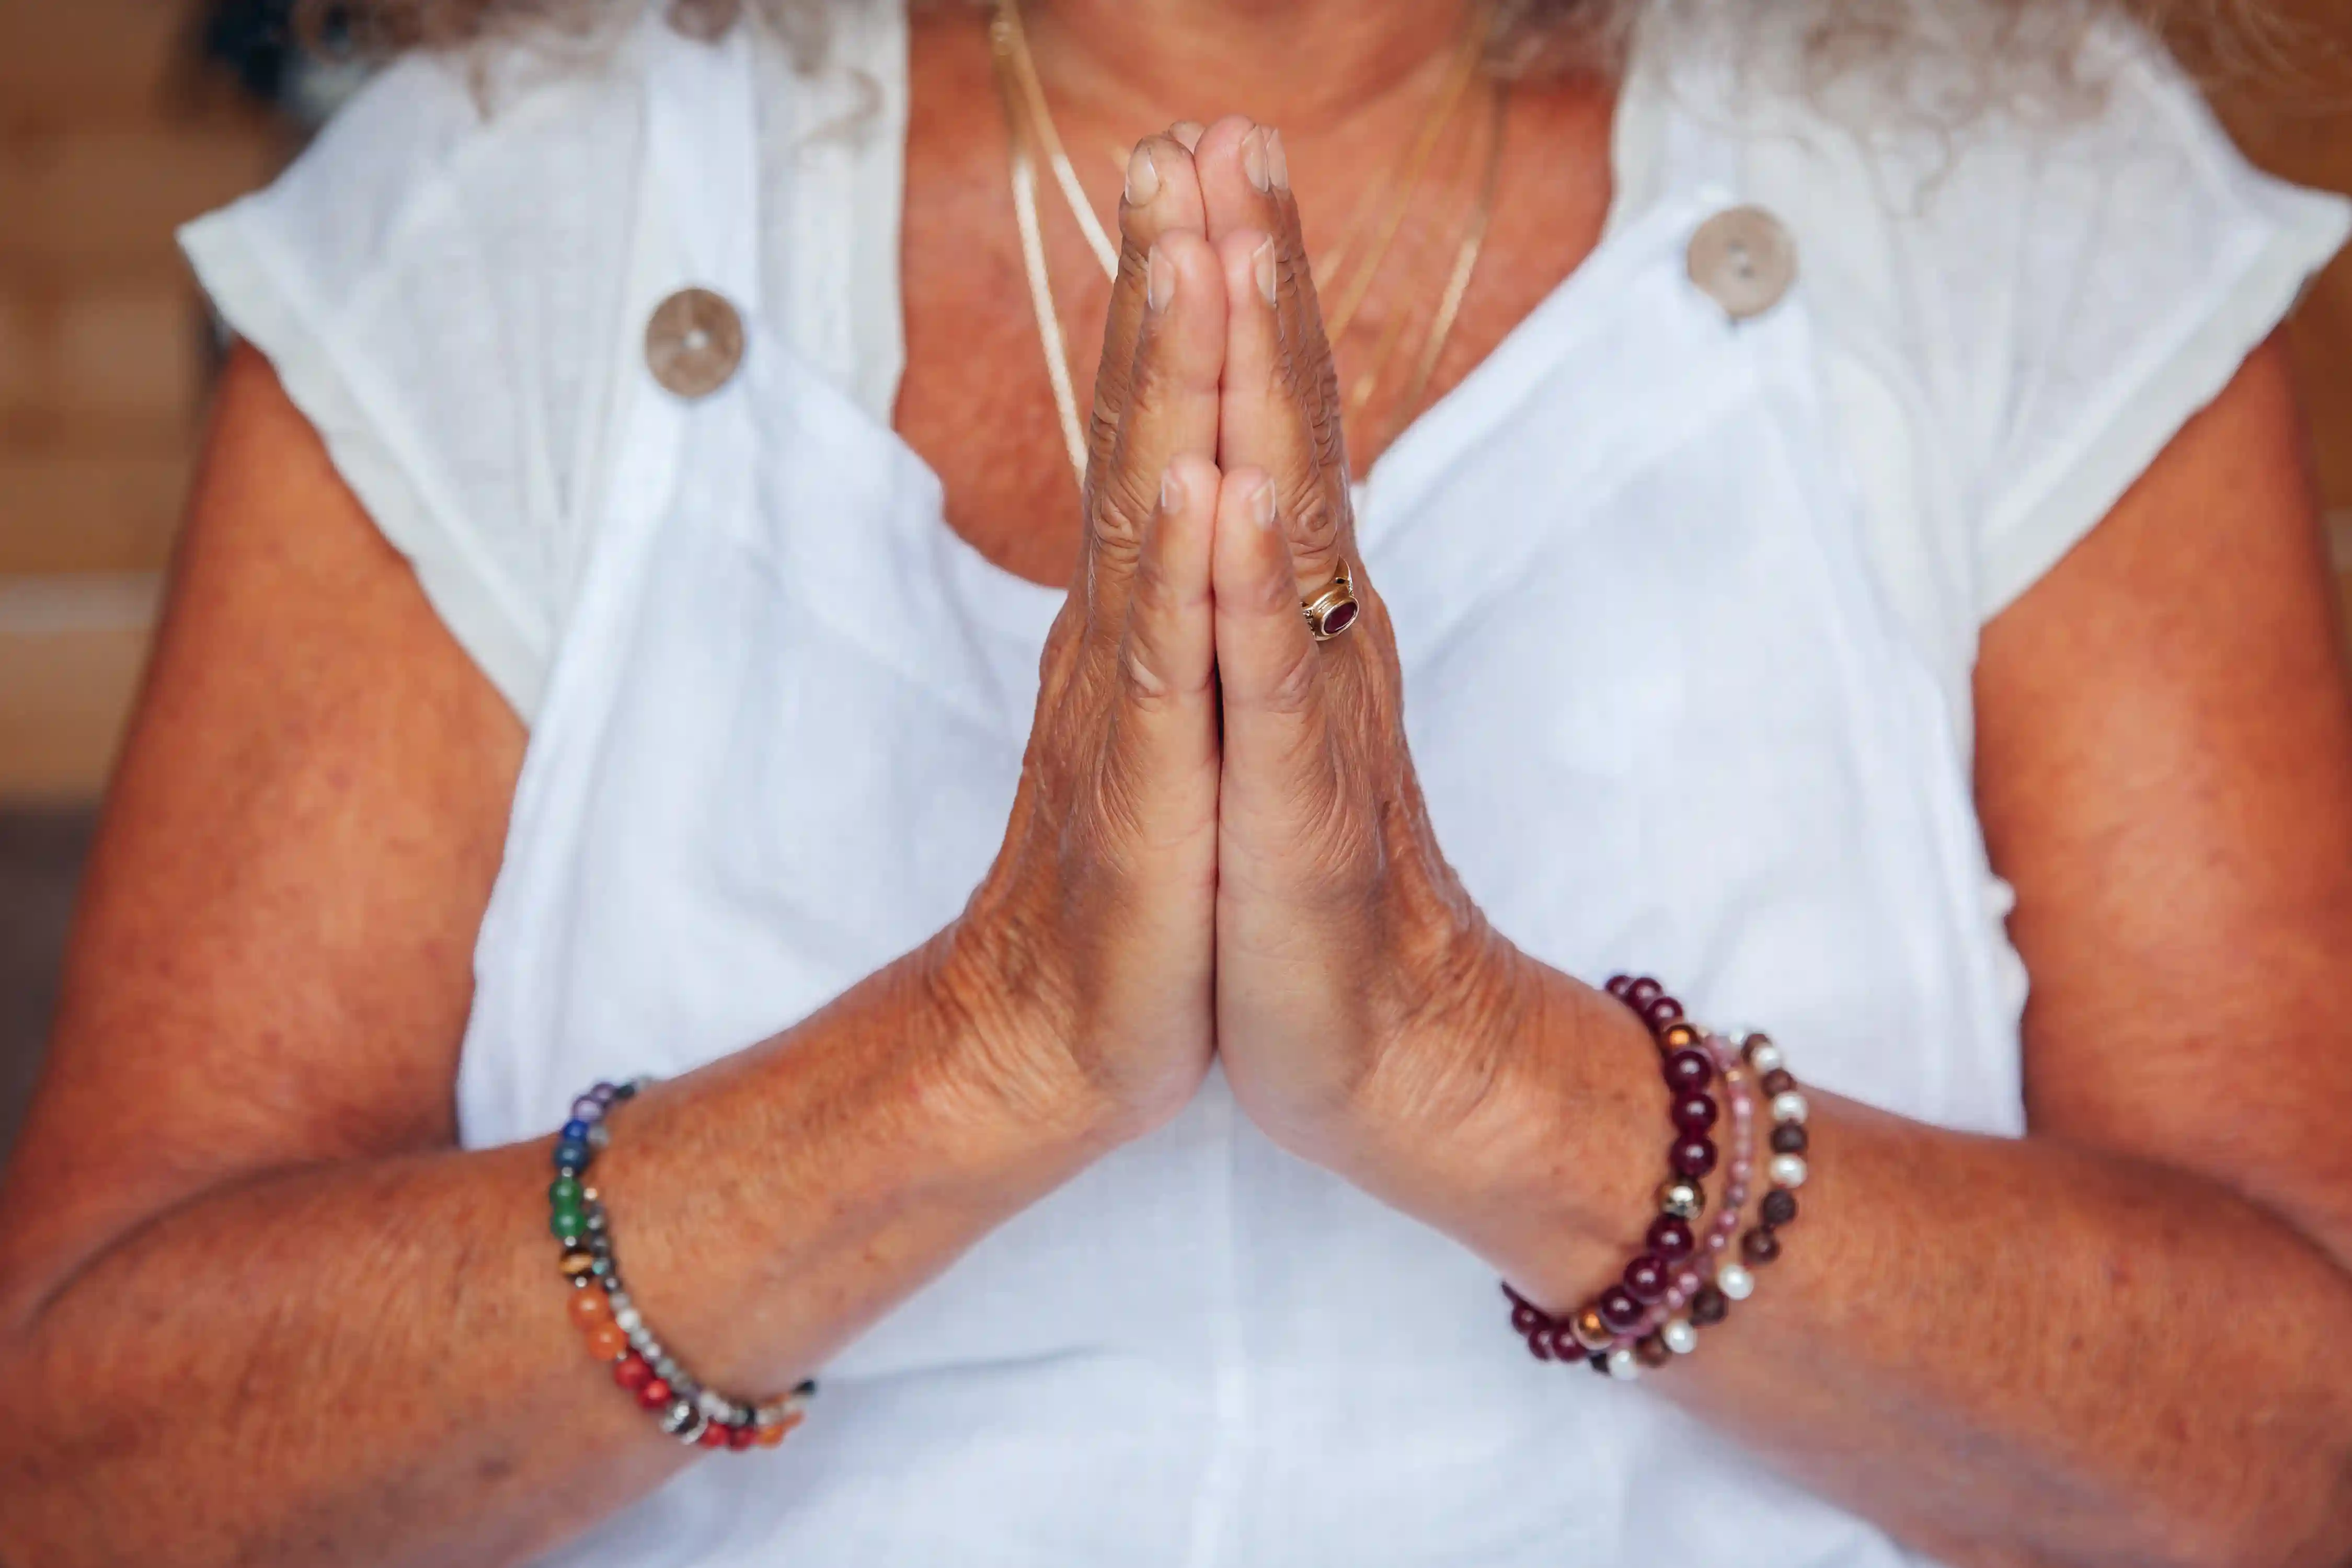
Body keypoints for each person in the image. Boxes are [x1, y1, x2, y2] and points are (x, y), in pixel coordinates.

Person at [3, 0, 2351, 1562]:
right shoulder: (512, 198)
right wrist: (983, 1056)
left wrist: (1481, 1078)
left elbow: (2297, 1435)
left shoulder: (2013, 182)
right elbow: (92, 1451)